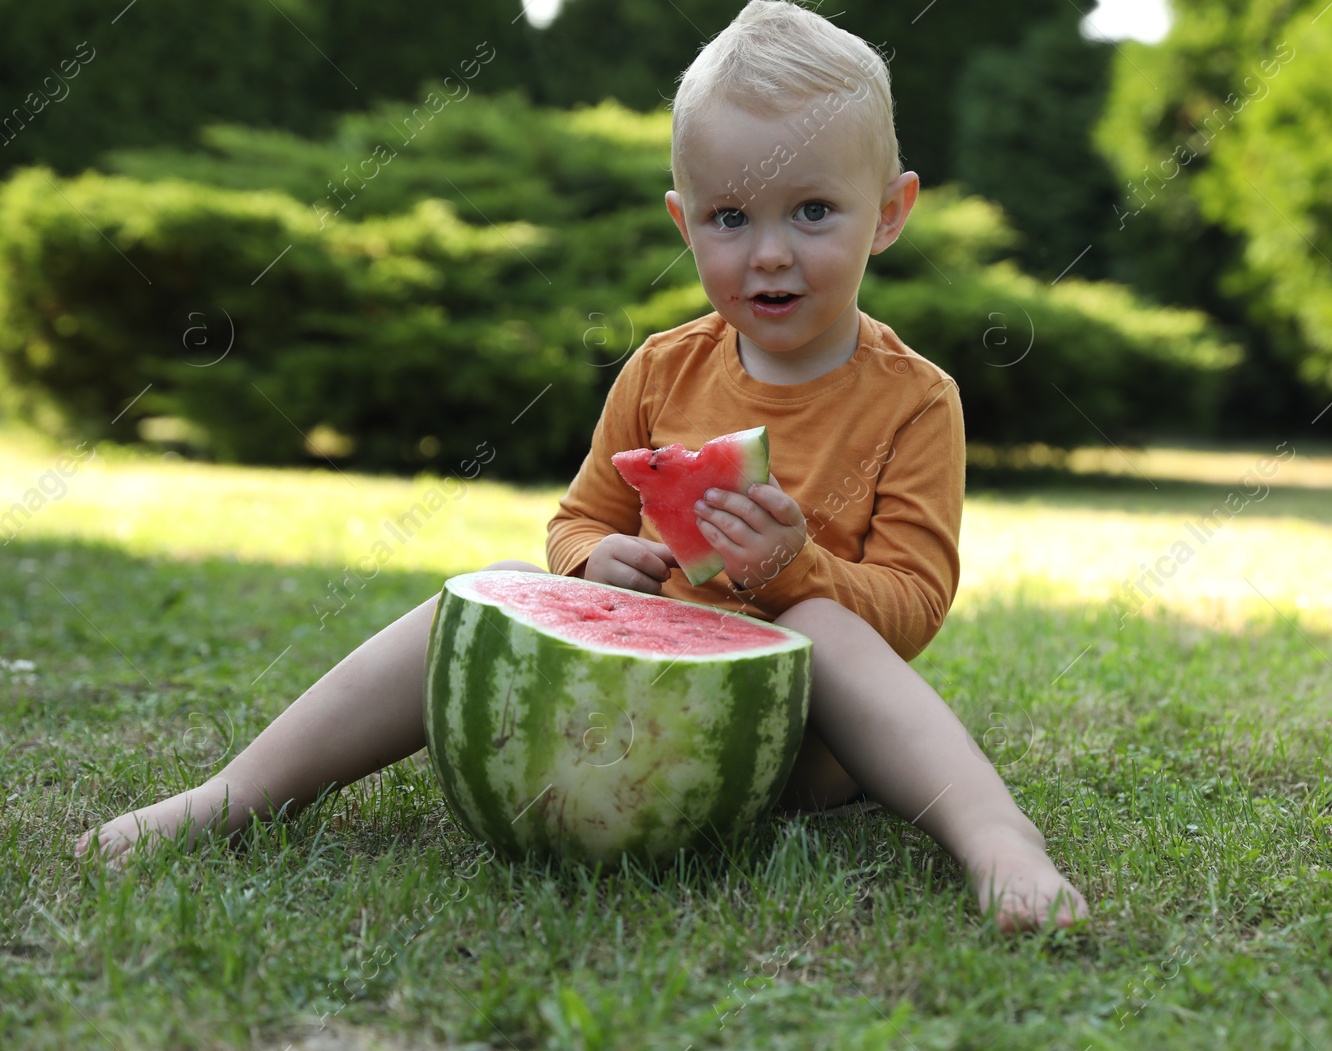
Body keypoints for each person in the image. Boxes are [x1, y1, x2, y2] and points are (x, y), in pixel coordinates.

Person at [77, 0, 1088, 933]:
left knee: (823, 622)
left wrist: (795, 571)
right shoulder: (659, 368)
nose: (769, 253)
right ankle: (234, 794)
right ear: (682, 224)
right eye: (730, 219)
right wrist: (591, 560)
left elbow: (911, 603)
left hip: (802, 746)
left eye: (813, 211)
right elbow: (574, 521)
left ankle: (996, 840)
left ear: (892, 210)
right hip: (621, 703)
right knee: (481, 595)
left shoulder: (916, 398)